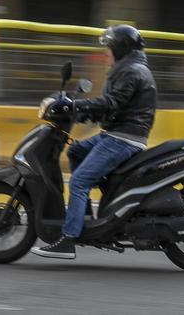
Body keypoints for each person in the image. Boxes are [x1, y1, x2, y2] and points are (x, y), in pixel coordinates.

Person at [32, 24, 158, 260]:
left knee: (79, 181)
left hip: (124, 139)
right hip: (117, 133)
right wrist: (84, 112)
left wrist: (76, 106)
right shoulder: (129, 68)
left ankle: (68, 240)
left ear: (120, 48)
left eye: (109, 47)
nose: (105, 53)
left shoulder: (132, 71)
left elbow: (112, 103)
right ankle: (85, 215)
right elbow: (116, 107)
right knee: (77, 151)